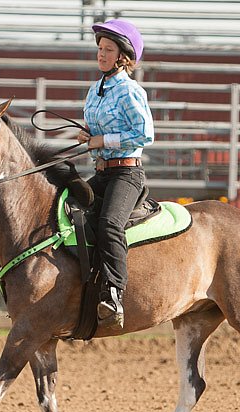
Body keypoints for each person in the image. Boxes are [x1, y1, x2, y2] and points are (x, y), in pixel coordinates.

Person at [76, 18, 154, 329]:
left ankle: (113, 294)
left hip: (126, 174)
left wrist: (101, 140)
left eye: (108, 49)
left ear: (122, 56)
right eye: (99, 48)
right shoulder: (95, 90)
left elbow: (144, 133)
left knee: (109, 223)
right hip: (101, 171)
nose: (101, 54)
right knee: (68, 211)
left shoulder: (129, 90)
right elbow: (96, 130)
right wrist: (87, 135)